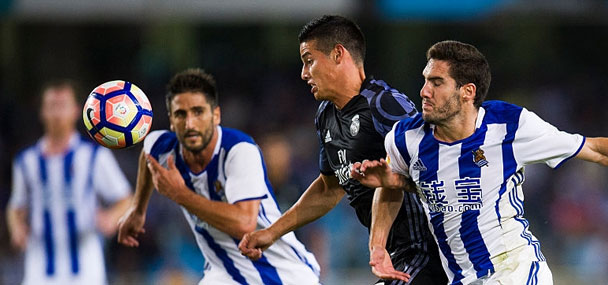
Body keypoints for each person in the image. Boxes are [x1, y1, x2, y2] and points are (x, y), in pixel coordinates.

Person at [351, 40, 608, 284]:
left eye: (437, 83)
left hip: (516, 271)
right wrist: (378, 245)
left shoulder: (510, 125)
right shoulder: (405, 139)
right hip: (462, 278)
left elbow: (595, 150)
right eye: (425, 80)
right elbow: (392, 186)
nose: (424, 91)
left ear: (467, 92)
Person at [238, 15, 447, 284]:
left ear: (338, 54)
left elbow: (437, 170)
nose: (303, 73)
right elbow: (329, 188)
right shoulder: (326, 116)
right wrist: (271, 232)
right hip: (394, 256)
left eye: (309, 61)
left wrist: (393, 183)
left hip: (428, 252)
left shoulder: (385, 105)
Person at [116, 68, 320, 284]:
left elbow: (244, 224)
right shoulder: (162, 147)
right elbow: (147, 155)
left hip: (280, 272)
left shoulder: (239, 150)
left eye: (198, 112)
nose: (190, 123)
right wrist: (137, 211)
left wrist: (180, 194)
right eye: (181, 114)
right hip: (224, 273)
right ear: (171, 120)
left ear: (216, 115)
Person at [7, 80, 132, 285]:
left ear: (75, 111)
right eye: (51, 106)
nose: (57, 114)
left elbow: (125, 198)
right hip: (40, 263)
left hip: (85, 261)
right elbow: (16, 206)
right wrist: (16, 227)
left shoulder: (94, 156)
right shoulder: (26, 161)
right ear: (42, 112)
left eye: (62, 106)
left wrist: (111, 217)